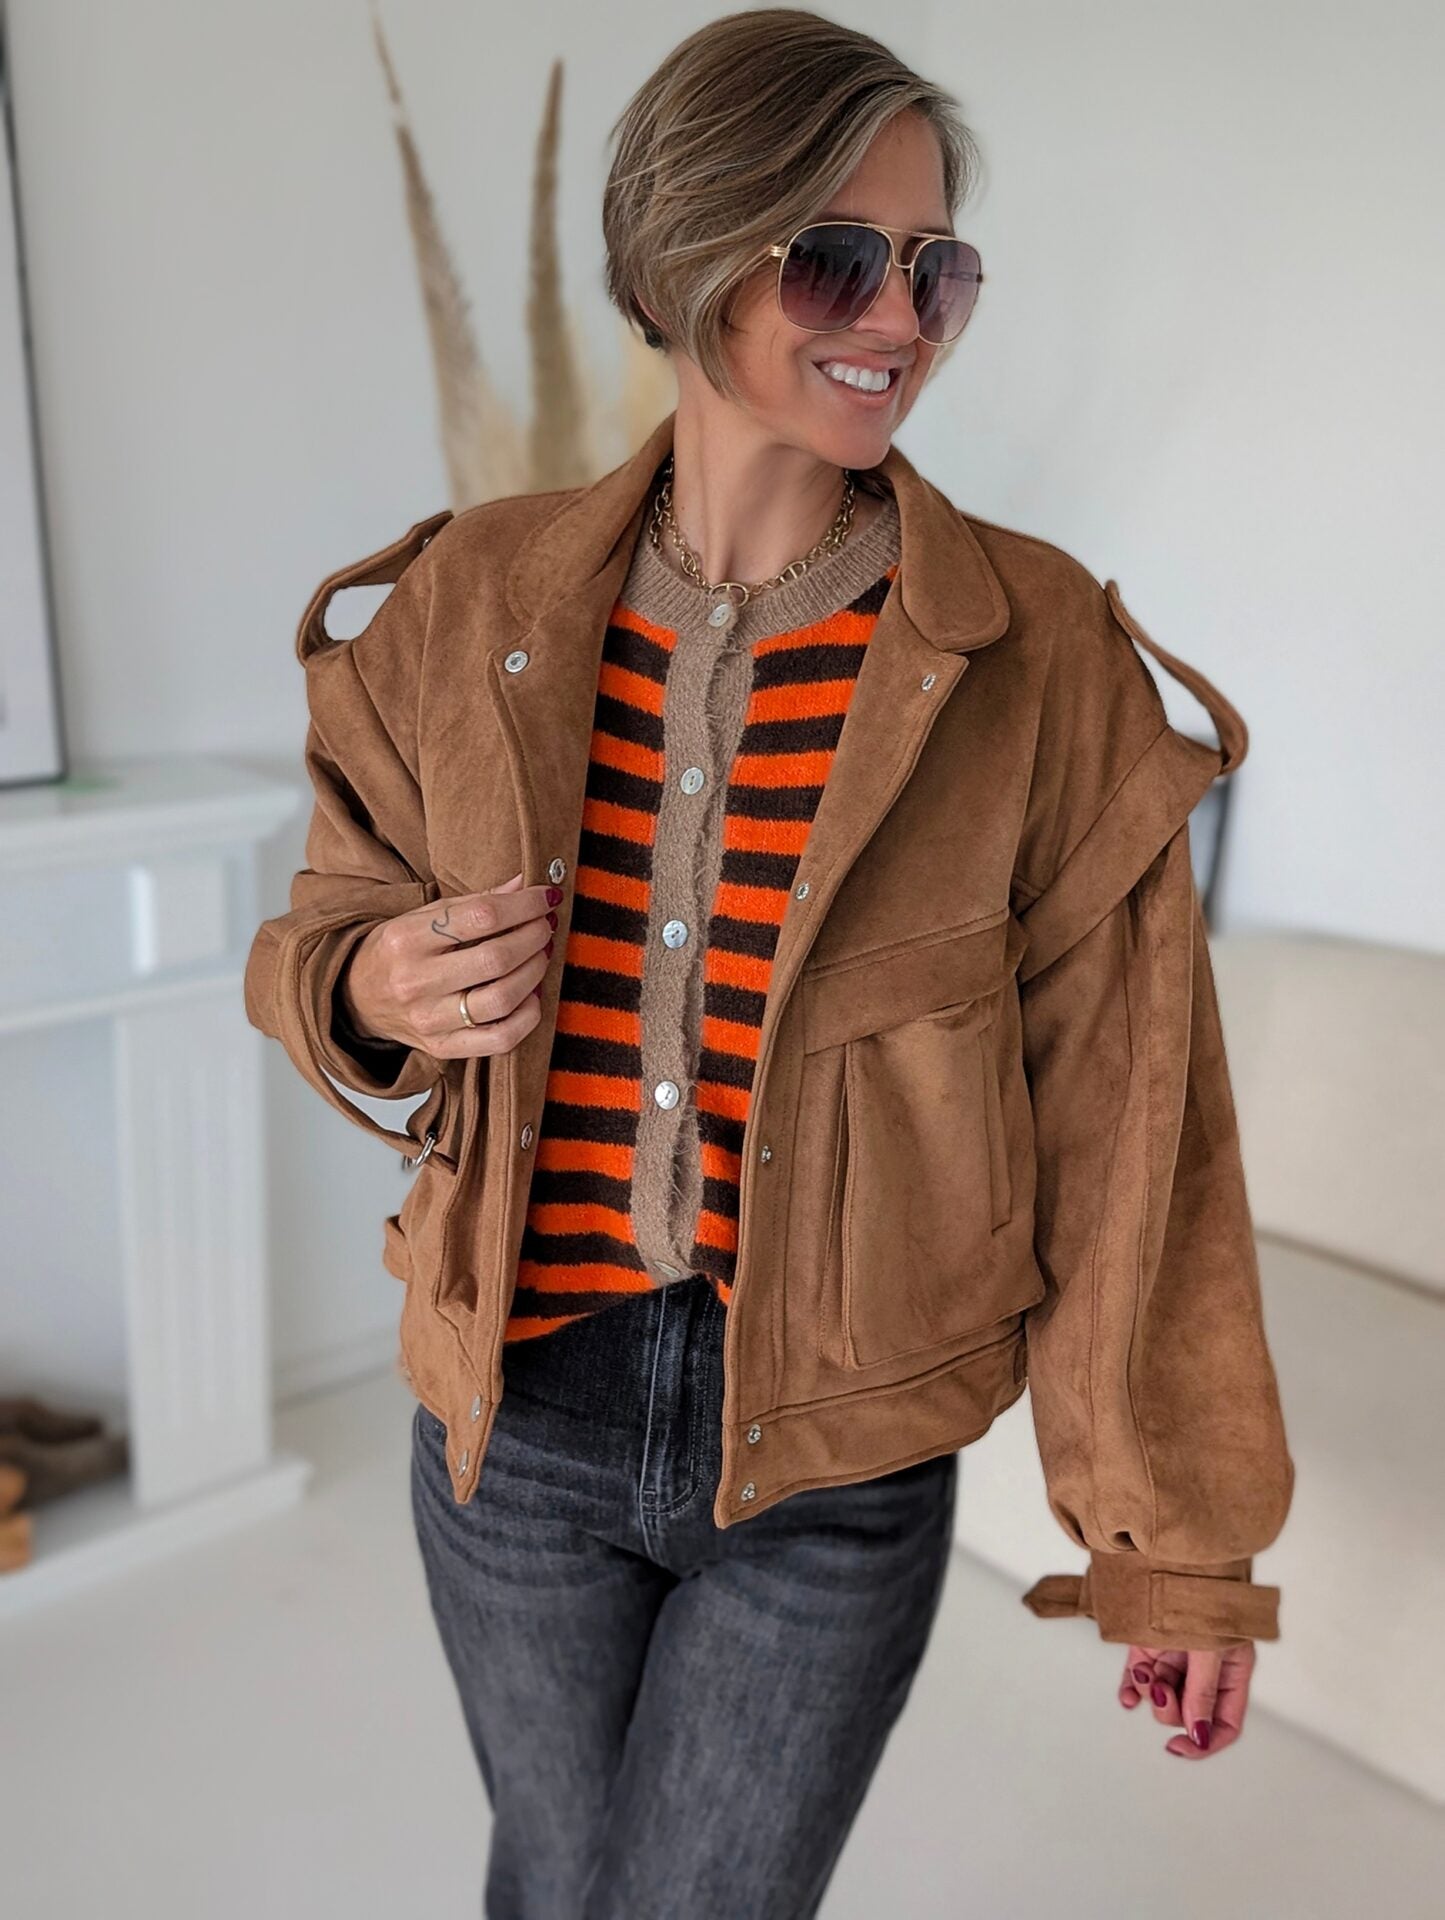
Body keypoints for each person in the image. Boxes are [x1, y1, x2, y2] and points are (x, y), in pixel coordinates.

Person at [245, 9, 1294, 1915]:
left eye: (934, 269)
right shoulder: (469, 604)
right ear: (688, 256)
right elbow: (320, 925)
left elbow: (1139, 1119)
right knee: (553, 1885)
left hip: (834, 1475)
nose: (897, 318)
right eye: (836, 259)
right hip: (513, 1436)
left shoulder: (1036, 653)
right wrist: (370, 987)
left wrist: (1177, 1540)